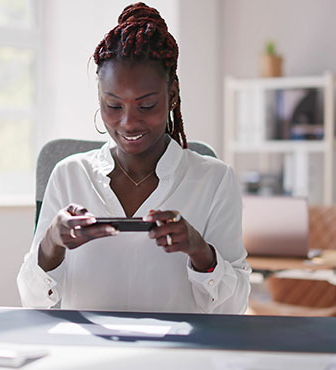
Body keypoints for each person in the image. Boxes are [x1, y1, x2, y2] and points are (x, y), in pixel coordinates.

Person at [17, 2, 251, 314]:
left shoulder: (214, 180)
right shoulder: (68, 175)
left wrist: (200, 251)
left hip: (175, 358)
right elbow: (32, 301)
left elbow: (234, 308)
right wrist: (51, 243)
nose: (128, 123)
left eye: (146, 105)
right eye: (113, 106)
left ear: (172, 93)